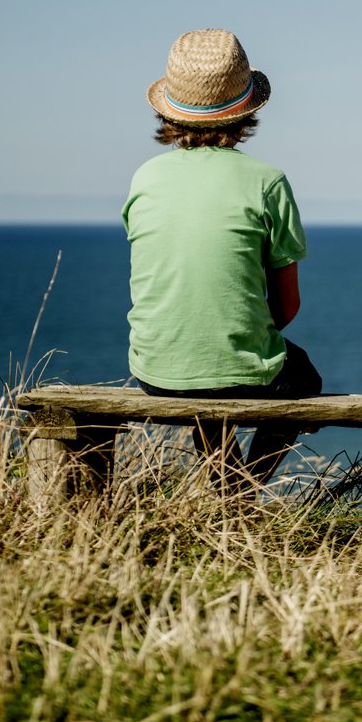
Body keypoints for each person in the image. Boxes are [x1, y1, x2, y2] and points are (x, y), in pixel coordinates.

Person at [123, 28, 321, 486]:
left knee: (205, 371)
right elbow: (286, 308)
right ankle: (246, 485)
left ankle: (225, 484)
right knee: (302, 377)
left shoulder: (145, 178)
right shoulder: (267, 182)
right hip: (240, 374)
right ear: (245, 110)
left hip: (155, 370)